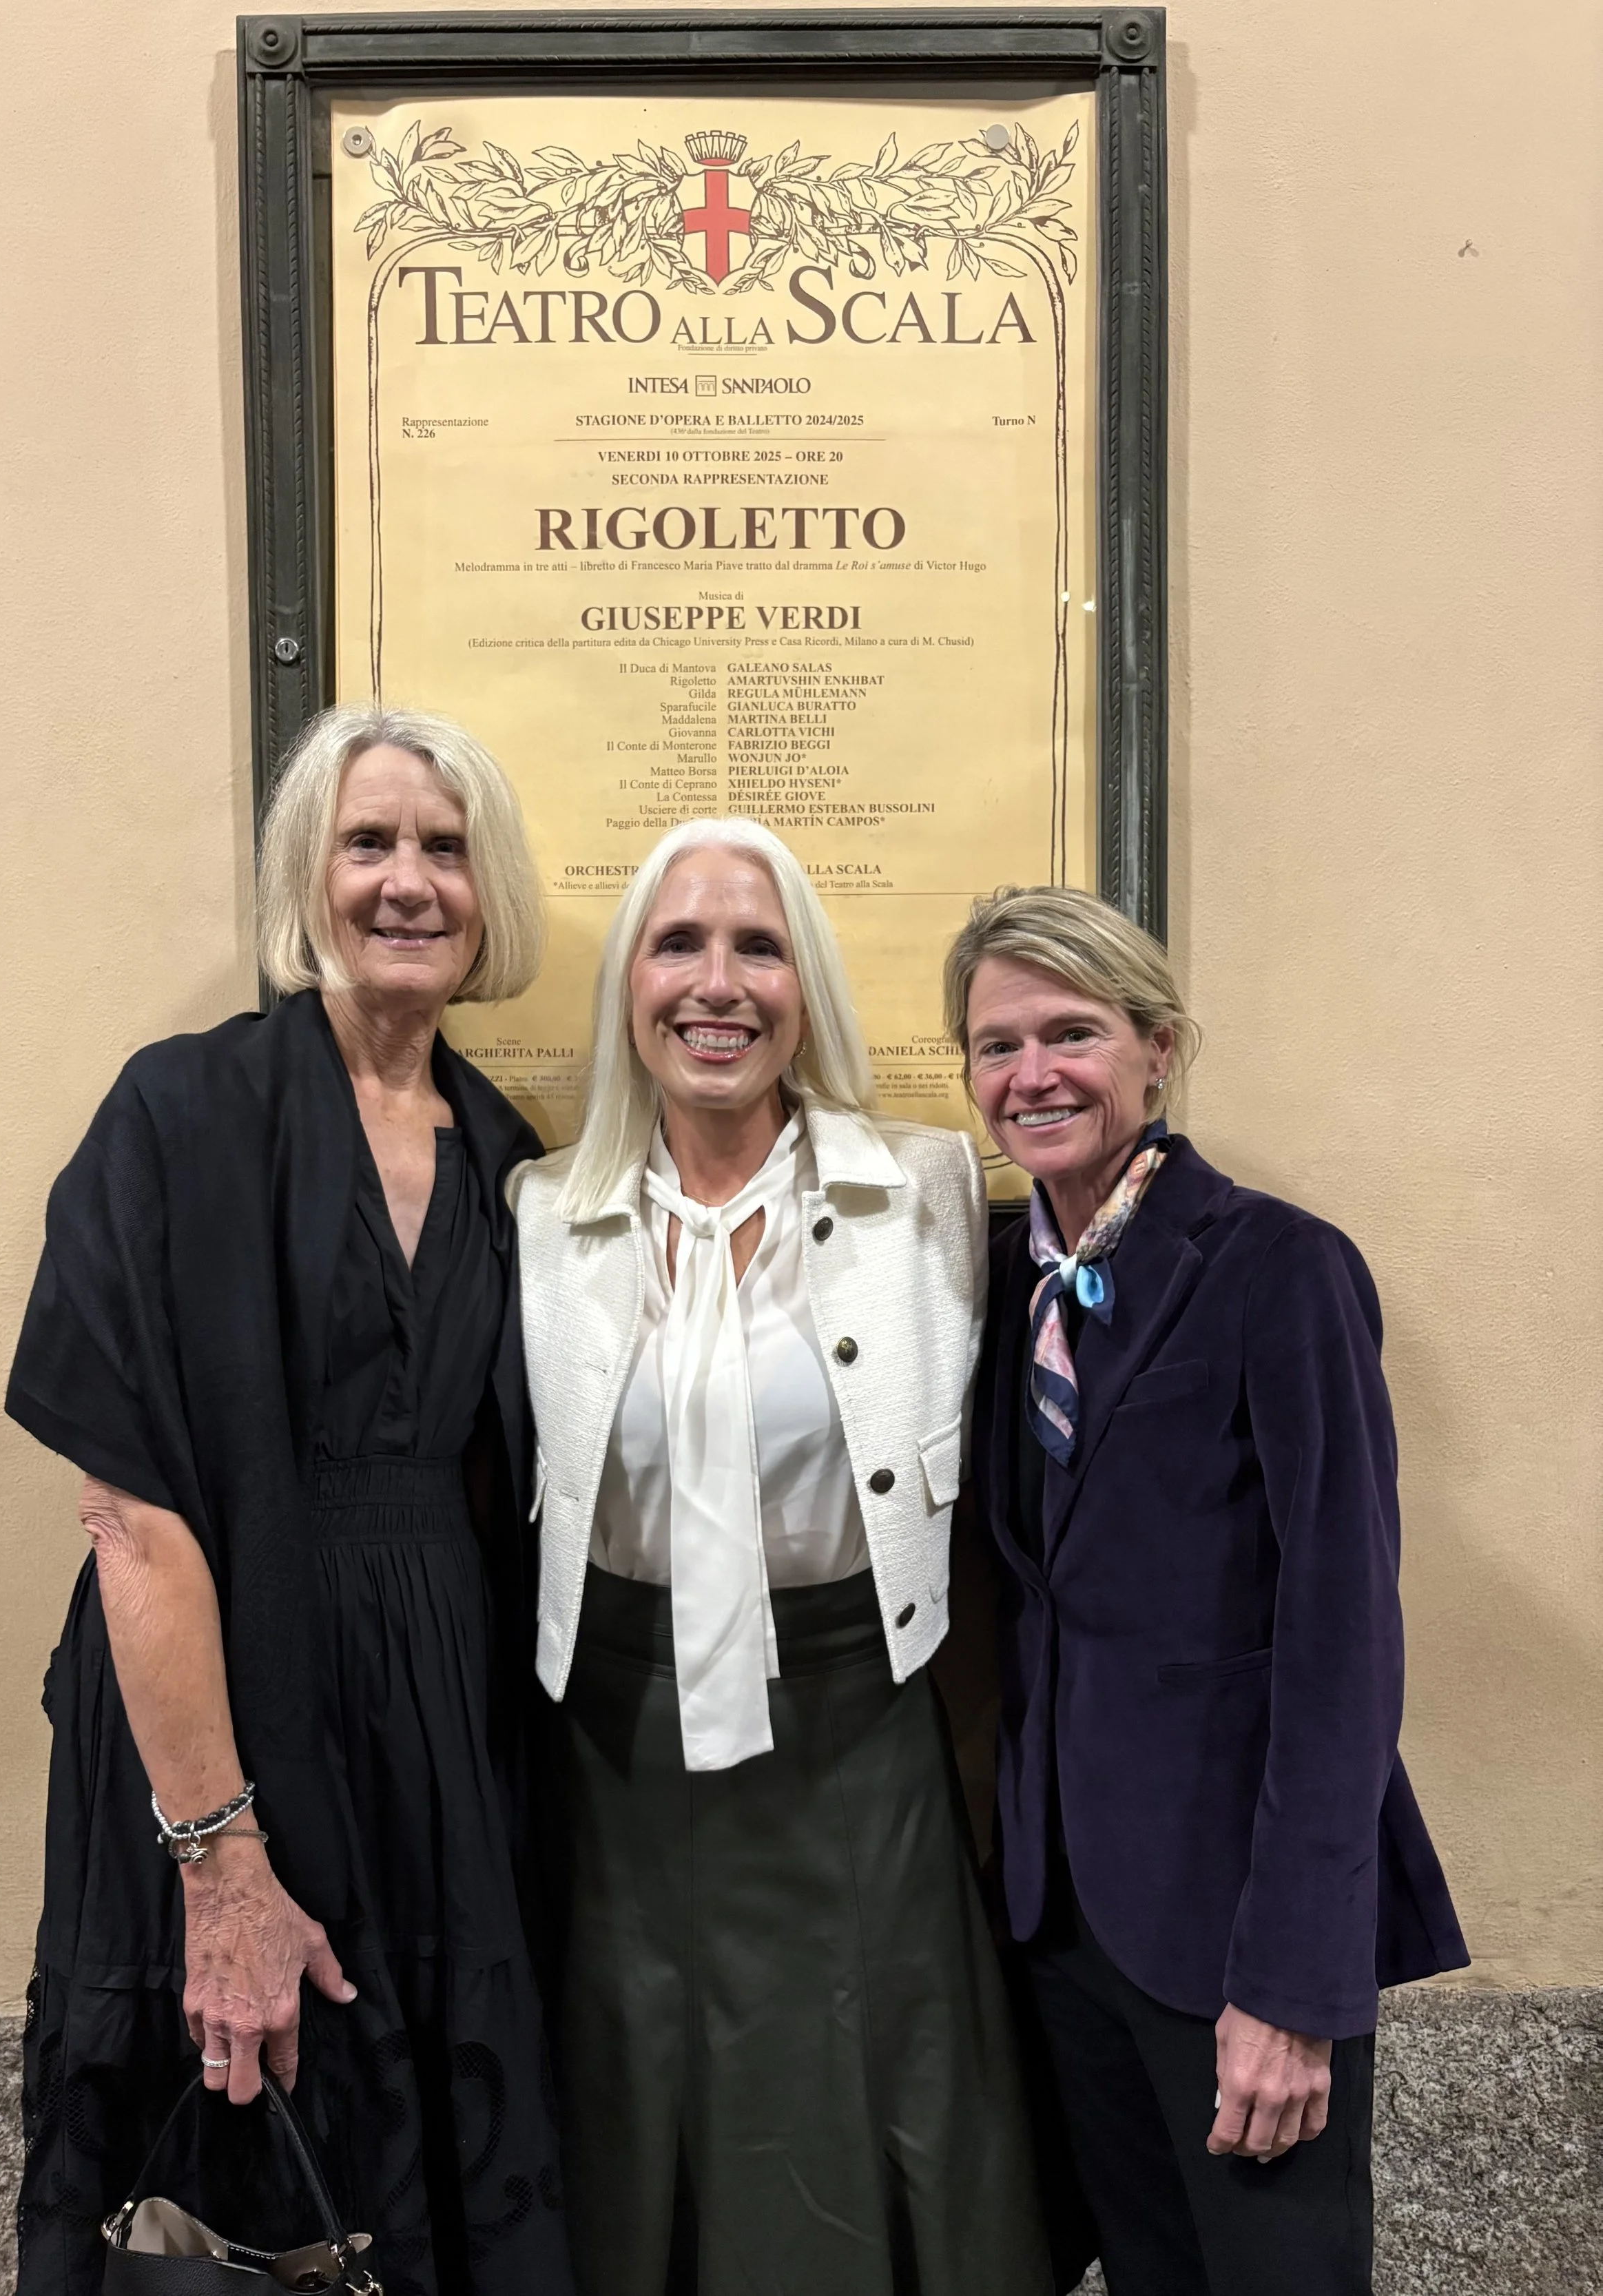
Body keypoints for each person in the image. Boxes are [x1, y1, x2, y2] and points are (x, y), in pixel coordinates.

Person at [6, 705, 575, 2296]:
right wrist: (221, 1863)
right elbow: (129, 1510)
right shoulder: (181, 1115)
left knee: (419, 2174)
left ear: (490, 890)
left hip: (433, 1741)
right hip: (223, 1711)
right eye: (367, 841)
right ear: (305, 875)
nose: (409, 882)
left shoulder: (506, 1160)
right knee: (235, 2146)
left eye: (445, 848)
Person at [510, 820, 1052, 2296]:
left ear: (805, 983)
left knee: (873, 2079)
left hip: (858, 1724)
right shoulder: (542, 1216)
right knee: (643, 2085)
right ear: (628, 982)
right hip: (620, 1746)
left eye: (757, 946)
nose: (717, 983)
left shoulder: (927, 1190)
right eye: (677, 943)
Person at [945, 884, 1469, 2296]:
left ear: (1156, 1048)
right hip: (1064, 1926)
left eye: (1071, 1033)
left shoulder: (1277, 1271)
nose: (1031, 1074)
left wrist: (1293, 1989)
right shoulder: (997, 1282)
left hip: (1232, 1937)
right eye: (995, 1046)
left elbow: (1340, 1649)